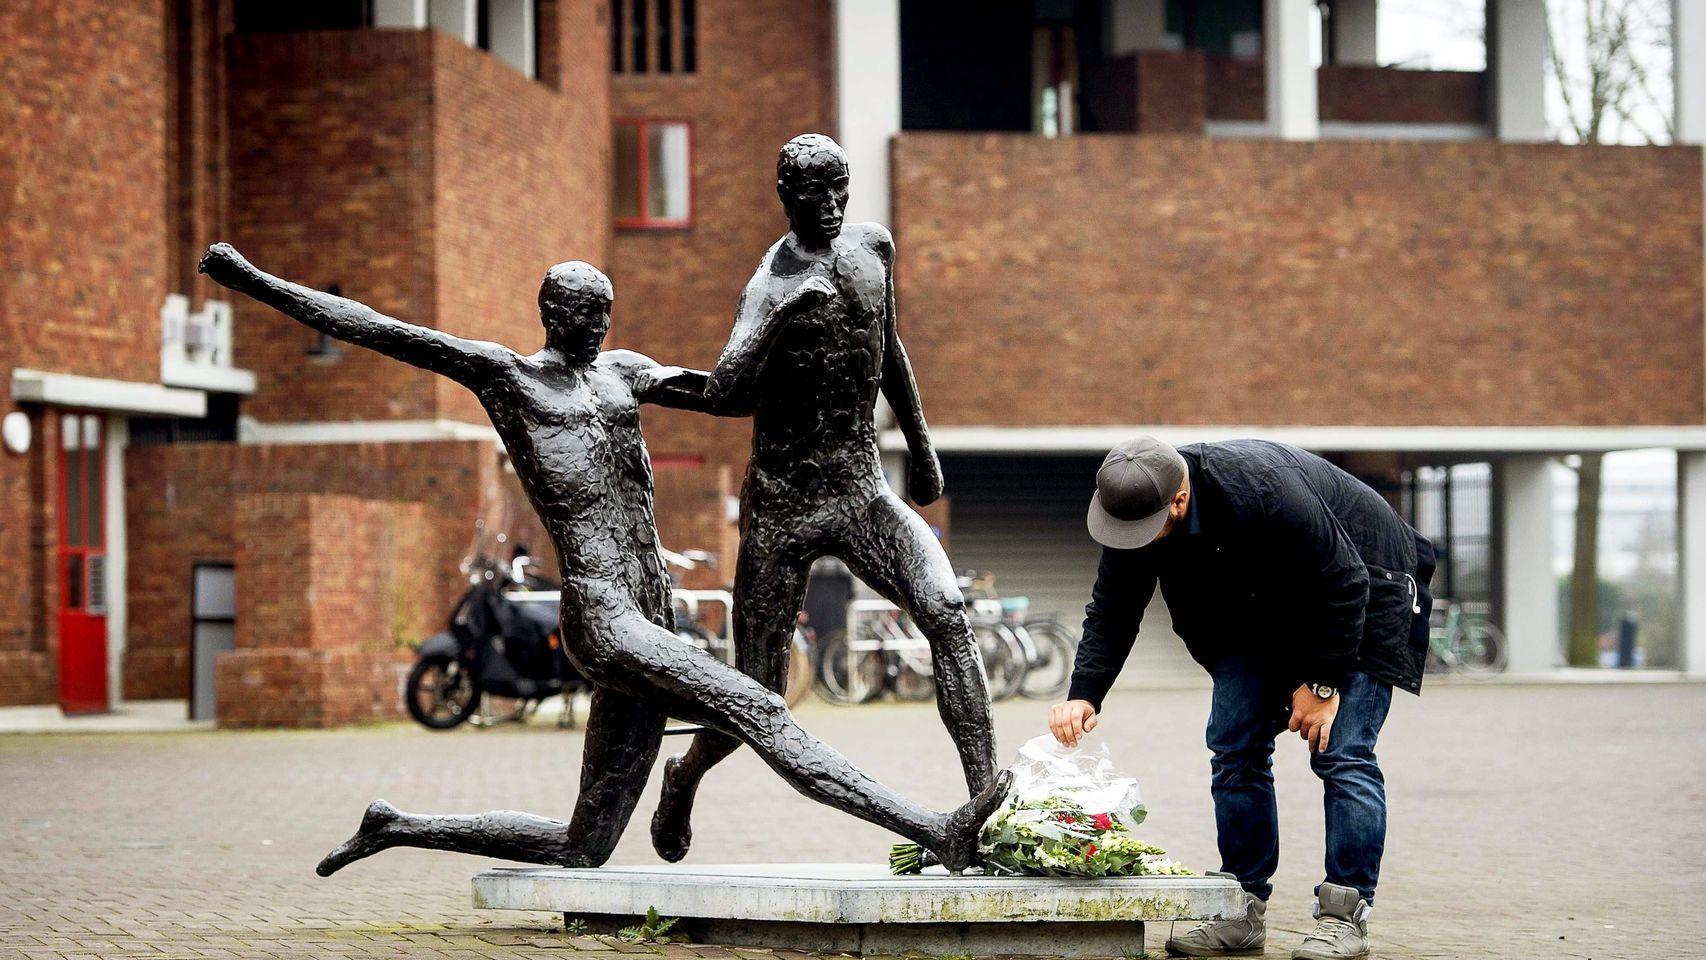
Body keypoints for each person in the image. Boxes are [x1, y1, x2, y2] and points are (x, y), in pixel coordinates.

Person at [198, 243, 1009, 875]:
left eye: (604, 313)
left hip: (650, 610)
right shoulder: (508, 378)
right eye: (580, 313)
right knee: (759, 706)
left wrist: (807, 329)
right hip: (606, 615)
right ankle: (930, 827)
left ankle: (399, 825)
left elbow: (726, 392)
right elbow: (371, 326)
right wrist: (251, 280)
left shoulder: (624, 374)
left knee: (582, 846)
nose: (595, 327)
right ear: (549, 311)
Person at [649, 134, 996, 861]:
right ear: (785, 195)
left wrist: (924, 449)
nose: (834, 204)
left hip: (861, 489)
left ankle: (986, 812)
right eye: (816, 193)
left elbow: (889, 344)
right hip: (782, 505)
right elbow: (723, 393)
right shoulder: (768, 284)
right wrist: (780, 317)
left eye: (842, 187)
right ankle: (684, 775)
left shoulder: (875, 247)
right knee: (758, 693)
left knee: (948, 614)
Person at [1047, 436, 1434, 960]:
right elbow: (1114, 606)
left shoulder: (1262, 489)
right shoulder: (1135, 506)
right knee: (1234, 746)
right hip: (1261, 611)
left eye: (1145, 531)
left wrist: (1322, 685)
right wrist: (1085, 694)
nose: (1134, 541)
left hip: (1364, 590)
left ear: (1178, 500)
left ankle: (1346, 916)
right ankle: (1239, 909)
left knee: (1342, 753)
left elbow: (1344, 581)